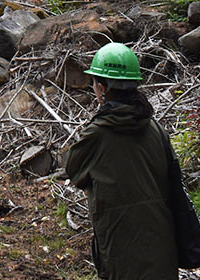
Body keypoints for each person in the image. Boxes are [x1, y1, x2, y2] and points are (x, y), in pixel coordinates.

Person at [65, 42, 179, 280]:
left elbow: (74, 171)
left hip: (120, 246)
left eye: (94, 82)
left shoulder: (97, 134)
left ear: (103, 87)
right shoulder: (157, 130)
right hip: (163, 245)